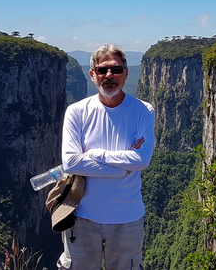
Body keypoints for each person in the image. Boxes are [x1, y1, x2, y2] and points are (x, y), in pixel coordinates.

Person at [57, 44, 155, 270]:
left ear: (126, 74)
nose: (109, 75)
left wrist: (94, 155)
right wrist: (122, 168)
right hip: (81, 217)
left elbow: (142, 160)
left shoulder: (143, 110)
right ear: (92, 74)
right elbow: (71, 162)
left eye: (116, 70)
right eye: (102, 70)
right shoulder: (76, 112)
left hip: (127, 219)